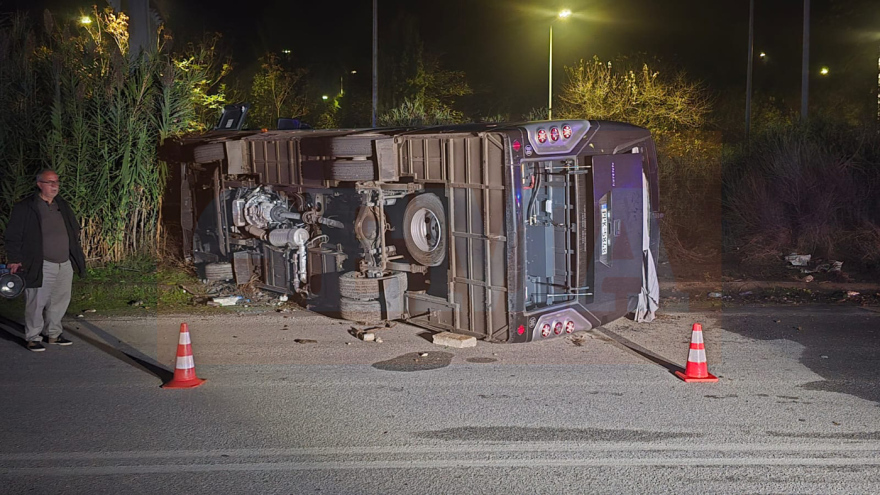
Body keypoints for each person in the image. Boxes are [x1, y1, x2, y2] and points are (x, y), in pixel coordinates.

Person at [4, 170, 87, 352]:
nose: (55, 185)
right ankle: (33, 337)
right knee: (36, 301)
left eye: (56, 181)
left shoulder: (61, 204)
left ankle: (53, 334)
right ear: (39, 184)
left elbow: (73, 228)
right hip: (40, 262)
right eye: (50, 182)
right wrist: (15, 259)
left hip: (64, 262)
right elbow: (13, 235)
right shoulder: (26, 206)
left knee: (60, 300)